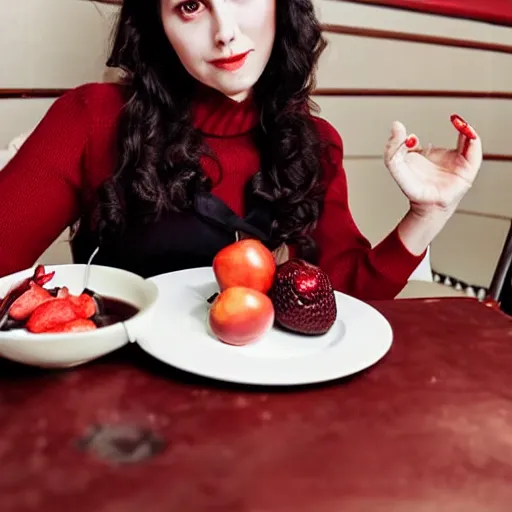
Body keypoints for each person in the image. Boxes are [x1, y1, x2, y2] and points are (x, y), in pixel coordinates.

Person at [0, 0, 482, 301]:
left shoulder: (315, 143)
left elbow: (344, 298)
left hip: (263, 416)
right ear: (158, 24)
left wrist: (427, 213)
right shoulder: (90, 117)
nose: (225, 31)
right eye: (190, 5)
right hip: (117, 425)